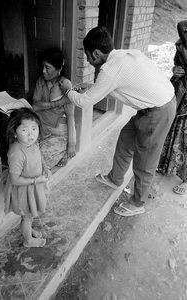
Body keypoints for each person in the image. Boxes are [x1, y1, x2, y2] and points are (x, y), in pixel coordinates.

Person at [51, 26, 176, 217]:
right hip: (154, 105)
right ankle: (115, 178)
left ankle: (137, 202)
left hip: (158, 111)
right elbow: (115, 83)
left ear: (96, 53)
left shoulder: (109, 70)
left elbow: (84, 102)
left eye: (87, 56)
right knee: (126, 137)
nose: (88, 61)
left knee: (145, 159)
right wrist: (90, 87)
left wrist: (69, 90)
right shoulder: (125, 54)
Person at [4, 107, 52, 247]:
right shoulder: (17, 152)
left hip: (33, 187)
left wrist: (46, 168)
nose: (30, 134)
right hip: (23, 191)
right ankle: (28, 240)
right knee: (26, 216)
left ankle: (29, 230)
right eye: (24, 130)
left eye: (34, 129)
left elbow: (39, 156)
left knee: (29, 214)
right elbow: (14, 179)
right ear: (14, 132)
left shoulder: (33, 143)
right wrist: (37, 180)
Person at [32, 48, 76, 167]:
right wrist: (58, 103)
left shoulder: (65, 85)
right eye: (43, 66)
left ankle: (62, 153)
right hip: (41, 130)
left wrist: (71, 144)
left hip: (58, 134)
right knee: (25, 156)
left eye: (47, 67)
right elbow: (35, 106)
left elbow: (71, 115)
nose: (43, 71)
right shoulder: (40, 81)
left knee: (39, 164)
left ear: (59, 69)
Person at [158, 20, 187, 195]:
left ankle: (185, 179)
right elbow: (177, 65)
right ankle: (164, 165)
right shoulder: (180, 45)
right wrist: (177, 69)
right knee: (171, 128)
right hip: (179, 91)